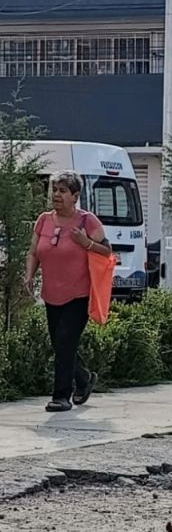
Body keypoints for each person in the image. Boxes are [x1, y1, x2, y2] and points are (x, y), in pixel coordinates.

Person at [24, 171, 112, 412]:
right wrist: (29, 275)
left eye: (63, 191)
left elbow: (107, 251)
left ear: (75, 196)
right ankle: (84, 379)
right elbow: (33, 252)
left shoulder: (87, 221)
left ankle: (62, 396)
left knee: (64, 341)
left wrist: (86, 243)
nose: (56, 195)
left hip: (78, 295)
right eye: (54, 190)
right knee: (61, 345)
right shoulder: (43, 220)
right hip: (51, 294)